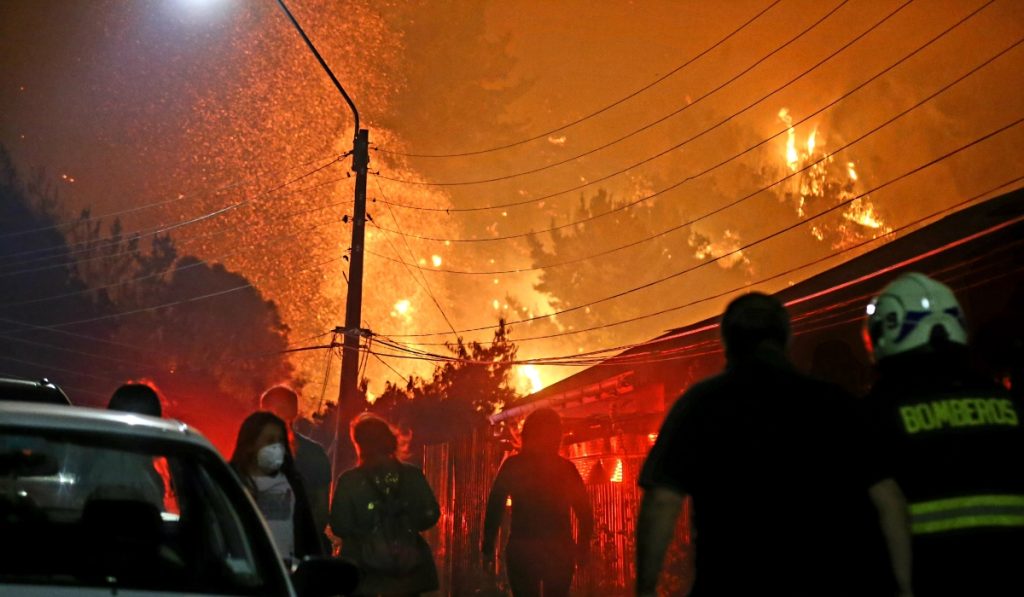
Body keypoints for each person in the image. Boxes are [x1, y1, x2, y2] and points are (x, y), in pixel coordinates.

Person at [636, 292, 912, 597]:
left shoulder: (699, 405)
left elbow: (662, 501)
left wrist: (645, 588)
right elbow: (889, 500)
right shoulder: (832, 403)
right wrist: (903, 587)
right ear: (785, 338)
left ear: (727, 343)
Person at [863, 273, 1024, 596]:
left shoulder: (876, 411)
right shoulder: (1004, 400)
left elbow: (887, 505)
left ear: (886, 332)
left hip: (935, 577)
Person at [481, 408, 593, 597]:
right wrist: (582, 549)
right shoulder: (566, 469)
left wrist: (488, 548)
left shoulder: (513, 466)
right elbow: (585, 514)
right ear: (557, 436)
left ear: (527, 434)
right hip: (558, 550)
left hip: (523, 549)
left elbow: (495, 507)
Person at [330, 413, 439, 597]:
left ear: (359, 444)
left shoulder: (350, 481)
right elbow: (430, 515)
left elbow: (340, 525)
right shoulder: (413, 476)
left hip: (363, 574)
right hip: (406, 573)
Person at [229, 411, 323, 565]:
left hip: (287, 575)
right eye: (269, 440)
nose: (276, 447)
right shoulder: (231, 480)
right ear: (250, 445)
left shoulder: (293, 483)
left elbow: (308, 534)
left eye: (280, 441)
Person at [260, 385, 332, 542]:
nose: (273, 415)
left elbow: (321, 509)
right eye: (267, 411)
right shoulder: (252, 452)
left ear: (293, 413)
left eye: (280, 409)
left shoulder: (313, 454)